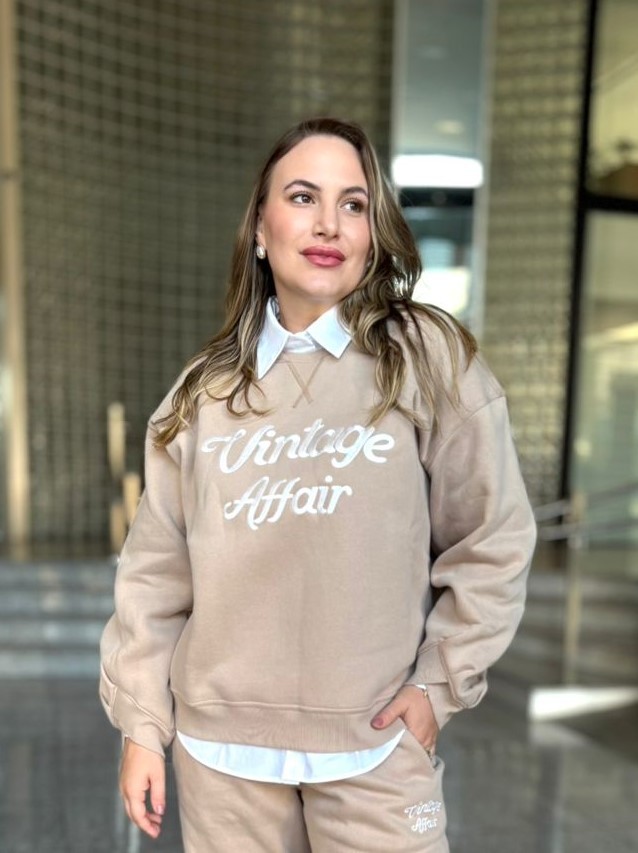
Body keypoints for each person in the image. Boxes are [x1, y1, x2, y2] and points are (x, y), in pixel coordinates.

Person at [100, 116, 536, 852]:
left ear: (373, 232)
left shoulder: (427, 359)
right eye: (303, 197)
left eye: (353, 204)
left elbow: (492, 537)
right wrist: (143, 726)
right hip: (222, 757)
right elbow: (154, 575)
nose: (329, 223)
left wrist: (437, 684)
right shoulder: (202, 394)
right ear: (260, 228)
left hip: (375, 745)